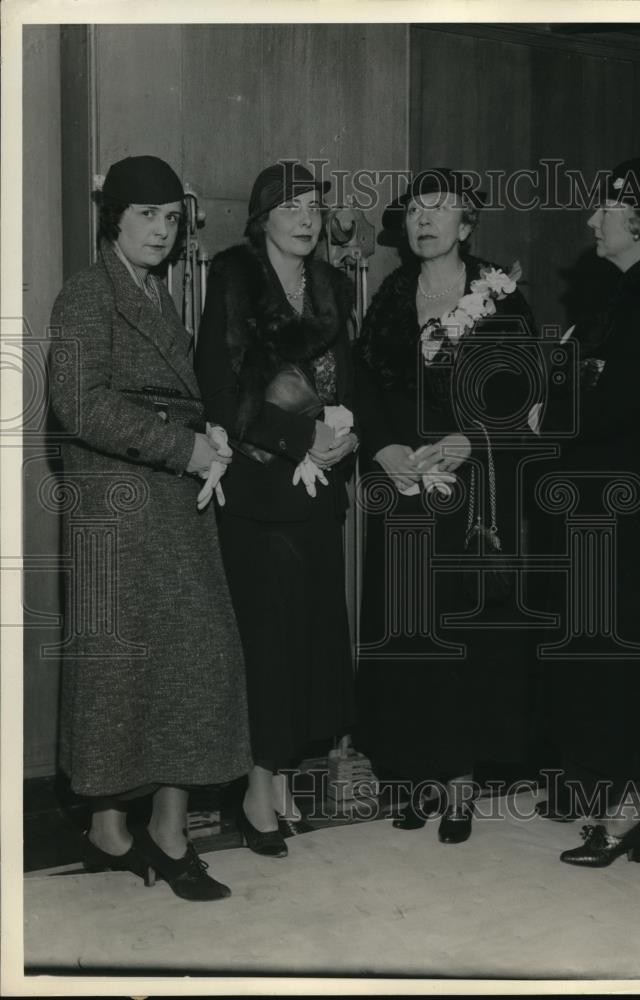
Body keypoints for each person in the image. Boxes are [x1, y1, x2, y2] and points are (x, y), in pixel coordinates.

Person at [48, 155, 251, 901]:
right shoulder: (85, 295)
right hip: (118, 507)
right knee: (119, 672)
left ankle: (167, 833)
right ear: (115, 219)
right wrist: (183, 445)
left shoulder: (156, 293)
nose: (162, 232)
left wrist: (208, 440)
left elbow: (175, 399)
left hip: (170, 502)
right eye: (147, 217)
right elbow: (78, 404)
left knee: (192, 664)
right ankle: (110, 829)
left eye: (172, 219)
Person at [353, 167, 536, 844]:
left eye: (441, 210)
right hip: (403, 487)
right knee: (406, 631)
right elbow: (363, 386)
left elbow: (528, 400)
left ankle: (460, 780)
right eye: (415, 212)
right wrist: (382, 449)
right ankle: (414, 773)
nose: (425, 221)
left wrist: (472, 440)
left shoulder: (502, 297)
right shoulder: (392, 297)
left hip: (471, 493)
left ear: (467, 224)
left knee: (463, 633)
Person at [533, 158, 640, 866]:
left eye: (603, 209)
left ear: (639, 217)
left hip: (629, 516)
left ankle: (626, 815)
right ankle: (613, 806)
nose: (591, 220)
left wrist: (548, 413)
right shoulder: (634, 294)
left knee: (625, 657)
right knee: (610, 654)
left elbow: (613, 404)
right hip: (615, 511)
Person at [195, 161, 357, 858]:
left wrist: (345, 438)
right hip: (260, 493)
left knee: (311, 644)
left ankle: (286, 773)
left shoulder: (329, 286)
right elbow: (221, 386)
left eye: (314, 205)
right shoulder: (234, 278)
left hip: (319, 491)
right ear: (262, 217)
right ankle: (256, 787)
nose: (306, 216)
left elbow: (346, 380)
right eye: (290, 206)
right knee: (269, 645)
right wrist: (301, 437)